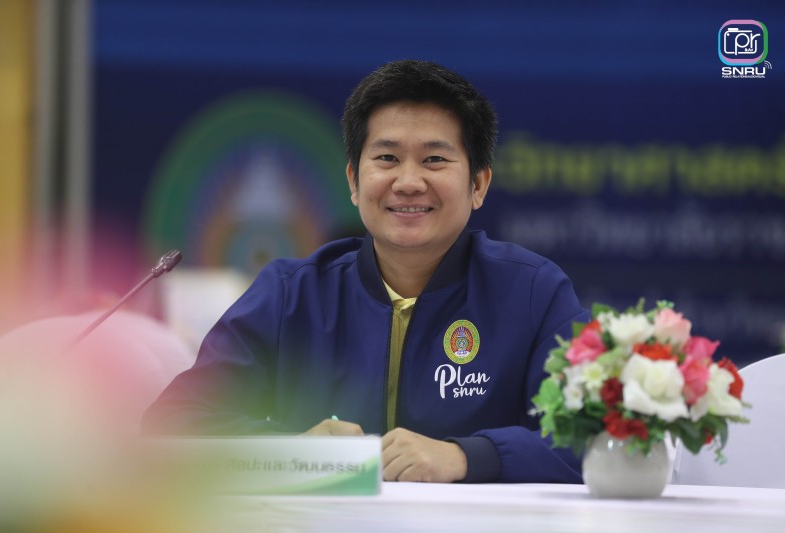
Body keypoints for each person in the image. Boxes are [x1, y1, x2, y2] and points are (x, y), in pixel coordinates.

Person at [143, 59, 589, 484]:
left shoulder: (534, 292)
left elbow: (594, 434)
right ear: (354, 182)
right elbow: (174, 423)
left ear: (478, 184)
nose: (408, 182)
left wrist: (466, 457)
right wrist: (293, 449)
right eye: (387, 158)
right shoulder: (290, 295)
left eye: (434, 159)